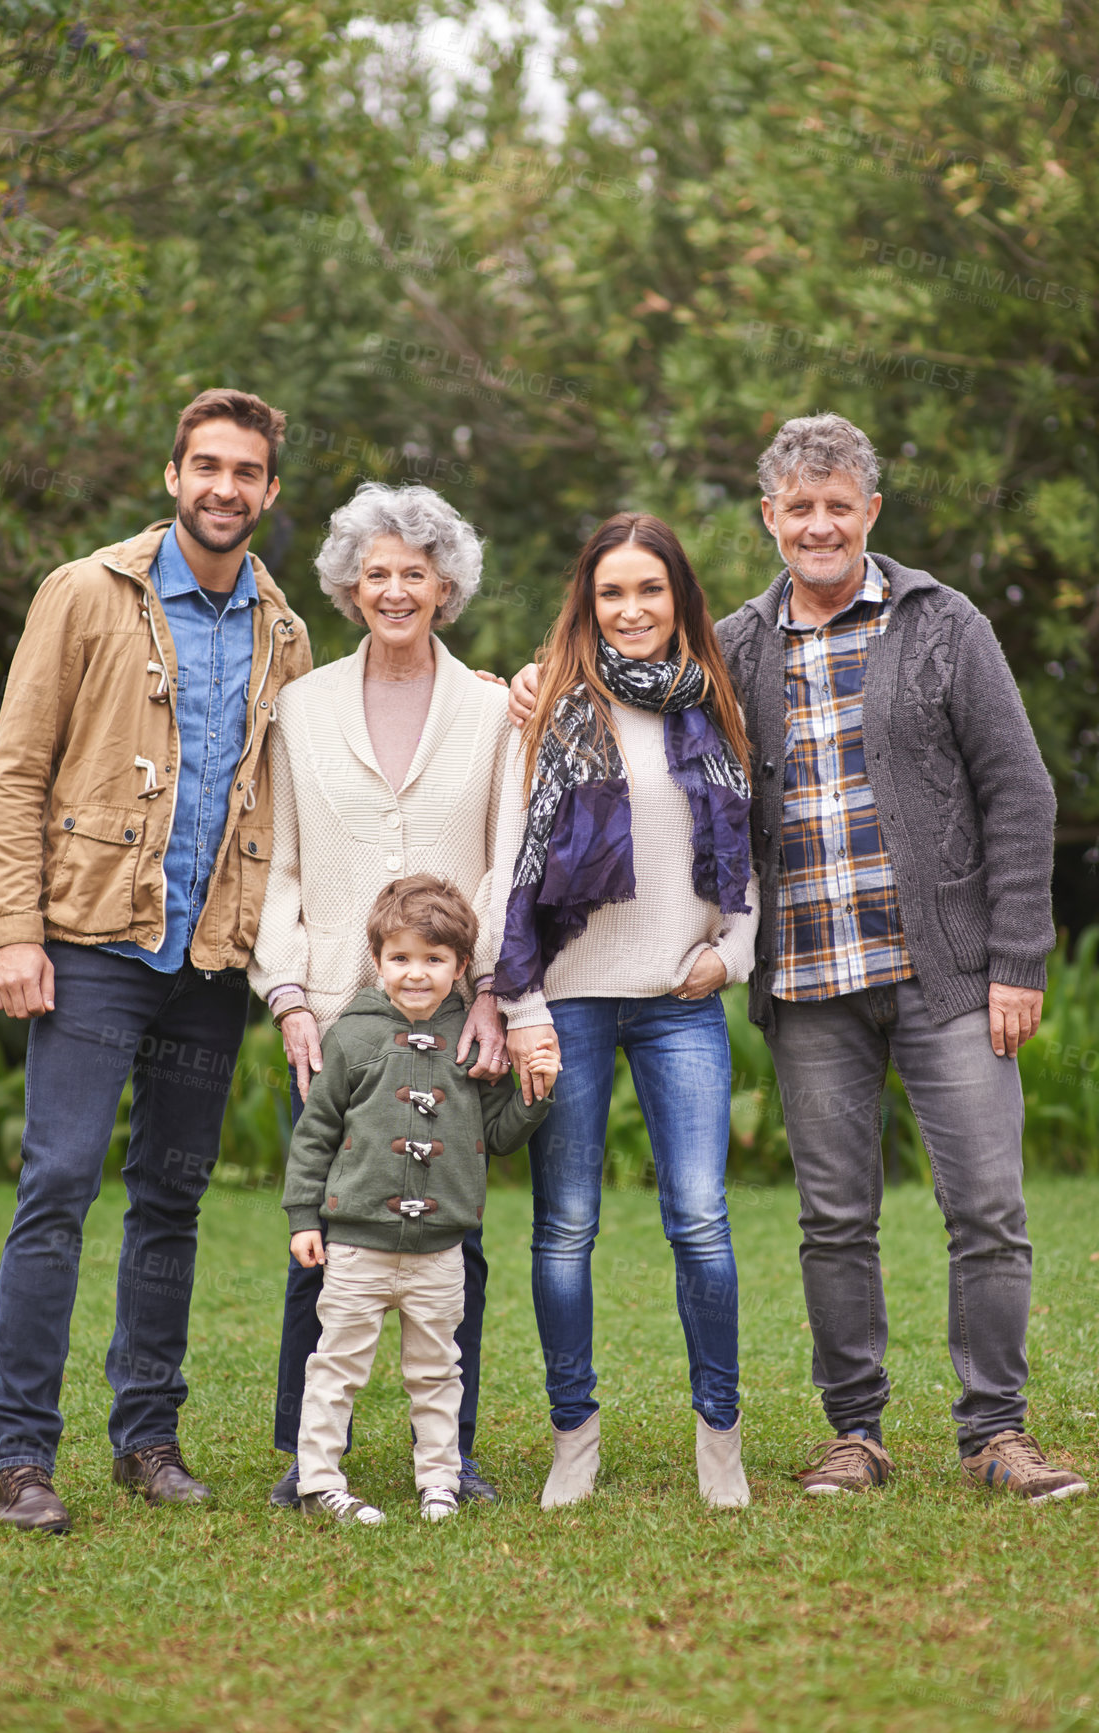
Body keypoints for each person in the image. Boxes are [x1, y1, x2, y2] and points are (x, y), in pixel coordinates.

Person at [510, 413, 1088, 1503]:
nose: (819, 524)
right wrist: (535, 695)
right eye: (798, 506)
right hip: (809, 983)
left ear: (870, 512)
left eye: (840, 504)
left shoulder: (945, 625)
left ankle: (996, 1431)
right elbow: (634, 705)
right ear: (769, 517)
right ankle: (854, 1432)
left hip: (951, 976)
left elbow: (1021, 791)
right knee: (834, 1219)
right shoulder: (735, 649)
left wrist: (1019, 956)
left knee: (987, 1208)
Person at [0, 388, 312, 1533]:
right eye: (205, 465)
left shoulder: (285, 630)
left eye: (247, 471)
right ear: (174, 476)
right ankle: (22, 1451)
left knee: (170, 1195)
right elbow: (17, 770)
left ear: (270, 492)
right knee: (59, 1184)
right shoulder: (84, 592)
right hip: (91, 943)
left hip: (210, 958)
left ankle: (148, 1437)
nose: (225, 486)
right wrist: (14, 930)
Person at [249, 482, 528, 1509]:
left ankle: (449, 1453)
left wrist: (490, 994)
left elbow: (504, 863)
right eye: (378, 572)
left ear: (445, 584)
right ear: (350, 587)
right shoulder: (302, 705)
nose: (396, 588)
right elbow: (276, 864)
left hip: (453, 1019)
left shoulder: (495, 708)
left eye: (416, 571)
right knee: (324, 1225)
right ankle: (303, 1453)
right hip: (334, 1015)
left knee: (459, 1235)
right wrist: (287, 996)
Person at [492, 512, 760, 1511]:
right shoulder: (547, 708)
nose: (632, 608)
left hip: (678, 1002)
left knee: (700, 1218)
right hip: (566, 1003)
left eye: (650, 589)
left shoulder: (718, 707)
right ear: (589, 603)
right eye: (613, 592)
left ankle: (720, 1435)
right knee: (565, 1226)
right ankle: (574, 1434)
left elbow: (748, 861)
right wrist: (519, 1003)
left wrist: (728, 956)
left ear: (679, 598)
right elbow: (507, 869)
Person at [283, 875, 556, 1524]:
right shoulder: (351, 1035)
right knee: (335, 1367)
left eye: (434, 960)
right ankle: (319, 1480)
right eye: (401, 958)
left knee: (437, 1372)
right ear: (377, 961)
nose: (415, 973)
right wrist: (303, 1217)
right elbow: (314, 1132)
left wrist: (535, 1093)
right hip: (355, 1243)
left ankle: (440, 1478)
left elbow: (496, 1132)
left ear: (462, 966)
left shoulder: (469, 1038)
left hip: (440, 1251)